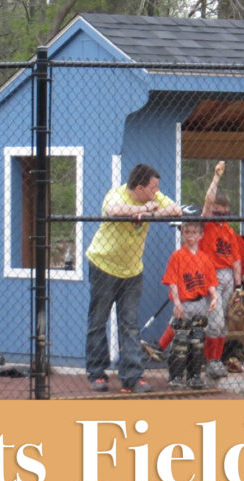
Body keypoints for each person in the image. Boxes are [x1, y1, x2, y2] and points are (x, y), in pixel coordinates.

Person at [85, 164, 181, 394]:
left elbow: (175, 210)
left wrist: (148, 212)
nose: (157, 191)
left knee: (129, 323)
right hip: (103, 265)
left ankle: (132, 376)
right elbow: (114, 210)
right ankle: (97, 373)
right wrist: (143, 208)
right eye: (153, 187)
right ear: (140, 188)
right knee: (99, 320)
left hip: (132, 271)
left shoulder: (155, 197)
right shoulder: (116, 194)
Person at [146, 161, 244, 379]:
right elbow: (208, 203)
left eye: (225, 214)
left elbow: (236, 259)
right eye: (218, 214)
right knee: (212, 321)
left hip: (228, 278)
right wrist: (216, 177)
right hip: (210, 278)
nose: (221, 218)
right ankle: (209, 361)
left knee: (219, 324)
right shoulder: (206, 227)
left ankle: (208, 360)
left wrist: (239, 286)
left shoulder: (229, 232)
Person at [161, 220, 222, 390]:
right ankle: (176, 377)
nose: (191, 236)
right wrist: (177, 303)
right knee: (180, 342)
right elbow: (172, 282)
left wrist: (214, 296)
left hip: (200, 303)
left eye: (194, 233)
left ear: (201, 235)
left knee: (197, 342)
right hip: (184, 304)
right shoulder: (177, 256)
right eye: (187, 232)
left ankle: (195, 376)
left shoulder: (204, 258)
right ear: (183, 234)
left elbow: (210, 282)